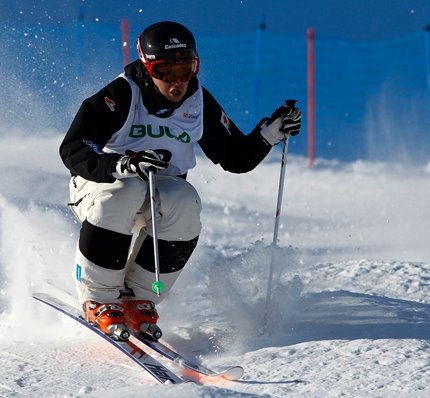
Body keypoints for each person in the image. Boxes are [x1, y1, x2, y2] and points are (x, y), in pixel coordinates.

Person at [59, 21, 301, 341]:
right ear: (147, 67)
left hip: (156, 194)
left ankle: (139, 298)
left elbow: (235, 158)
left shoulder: (197, 101)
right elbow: (74, 147)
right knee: (125, 190)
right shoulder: (121, 94)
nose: (177, 82)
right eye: (165, 71)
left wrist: (270, 133)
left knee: (186, 200)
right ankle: (100, 297)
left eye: (186, 69)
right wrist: (123, 163)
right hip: (100, 186)